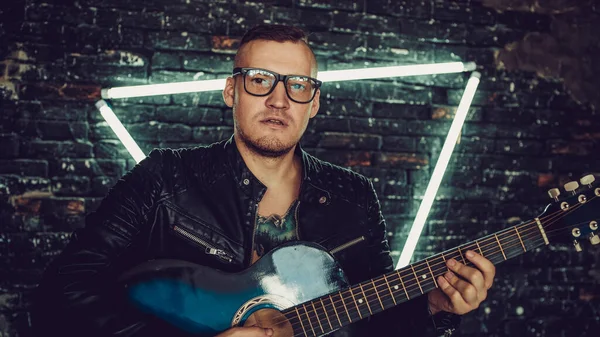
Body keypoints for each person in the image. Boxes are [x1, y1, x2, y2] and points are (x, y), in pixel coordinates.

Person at [31, 24, 495, 337]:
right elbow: (61, 295)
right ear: (231, 91)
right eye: (259, 80)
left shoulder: (354, 198)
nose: (278, 100)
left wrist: (433, 306)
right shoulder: (165, 177)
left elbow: (372, 323)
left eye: (297, 86)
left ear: (313, 103)